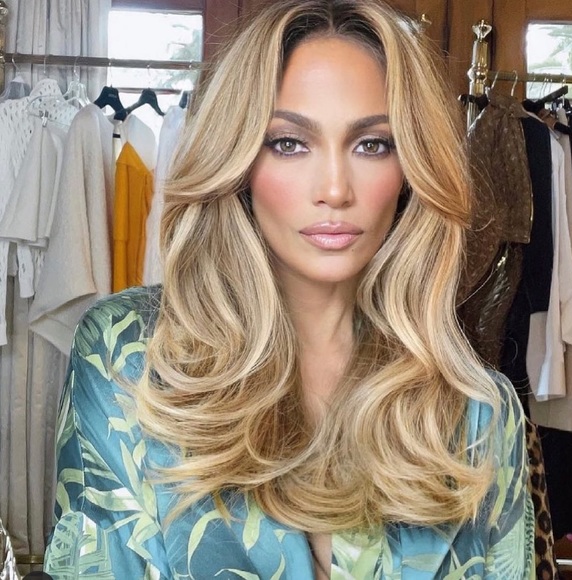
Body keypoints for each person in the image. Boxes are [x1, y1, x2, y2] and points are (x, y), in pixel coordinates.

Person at [44, 0, 535, 577]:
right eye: (289, 143)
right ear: (239, 161)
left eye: (372, 144)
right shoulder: (127, 356)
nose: (335, 189)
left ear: (410, 170)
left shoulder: (478, 411)